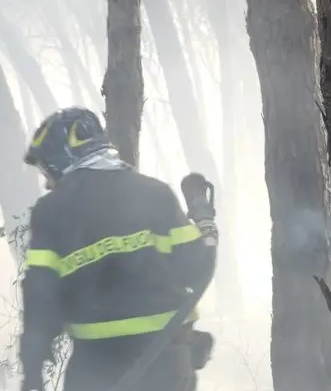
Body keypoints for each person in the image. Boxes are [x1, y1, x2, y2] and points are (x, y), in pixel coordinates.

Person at [18, 107, 214, 391]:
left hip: (95, 368)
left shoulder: (51, 211)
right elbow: (196, 268)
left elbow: (40, 298)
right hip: (167, 363)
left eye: (47, 170)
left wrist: (32, 371)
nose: (47, 182)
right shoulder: (155, 193)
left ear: (64, 158)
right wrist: (203, 218)